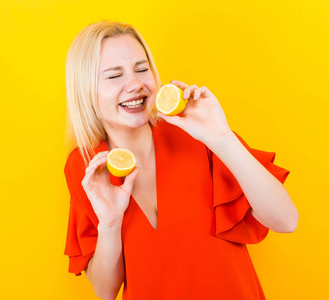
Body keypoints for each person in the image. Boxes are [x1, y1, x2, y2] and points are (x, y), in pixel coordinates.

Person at [63, 20, 299, 300]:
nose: (136, 84)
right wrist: (110, 224)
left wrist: (222, 138)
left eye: (142, 68)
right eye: (114, 76)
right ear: (86, 91)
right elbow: (106, 290)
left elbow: (286, 220)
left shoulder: (195, 132)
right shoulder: (87, 166)